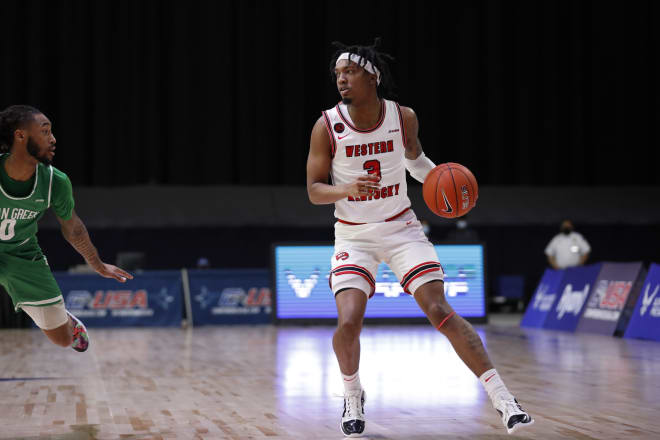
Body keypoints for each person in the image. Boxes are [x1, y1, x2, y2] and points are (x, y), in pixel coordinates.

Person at [306, 40, 533, 436]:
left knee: (438, 308)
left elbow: (414, 162)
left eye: (350, 71)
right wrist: (346, 189)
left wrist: (447, 187)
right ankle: (352, 393)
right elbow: (313, 190)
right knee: (348, 323)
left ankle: (503, 399)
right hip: (354, 236)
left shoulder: (403, 116)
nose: (341, 78)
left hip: (401, 228)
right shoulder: (326, 125)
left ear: (372, 75)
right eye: (337, 74)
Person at [0, 105, 133, 352]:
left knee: (62, 339)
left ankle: (69, 322)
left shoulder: (54, 182)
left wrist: (98, 265)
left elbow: (74, 229)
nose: (53, 139)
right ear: (20, 135)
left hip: (22, 254)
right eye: (45, 132)